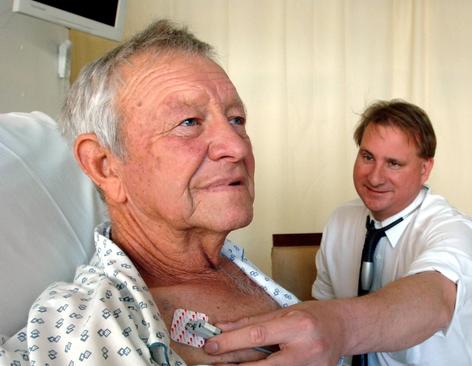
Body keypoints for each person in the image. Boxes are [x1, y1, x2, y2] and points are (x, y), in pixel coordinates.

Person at [0, 19, 298, 366]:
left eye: (236, 119)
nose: (236, 146)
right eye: (189, 123)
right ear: (104, 166)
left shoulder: (231, 268)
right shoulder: (90, 325)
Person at [204, 100, 472, 365]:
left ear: (425, 169)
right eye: (368, 157)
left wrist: (337, 328)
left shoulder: (453, 228)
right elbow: (323, 305)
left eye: (393, 163)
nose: (375, 176)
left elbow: (435, 302)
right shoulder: (342, 220)